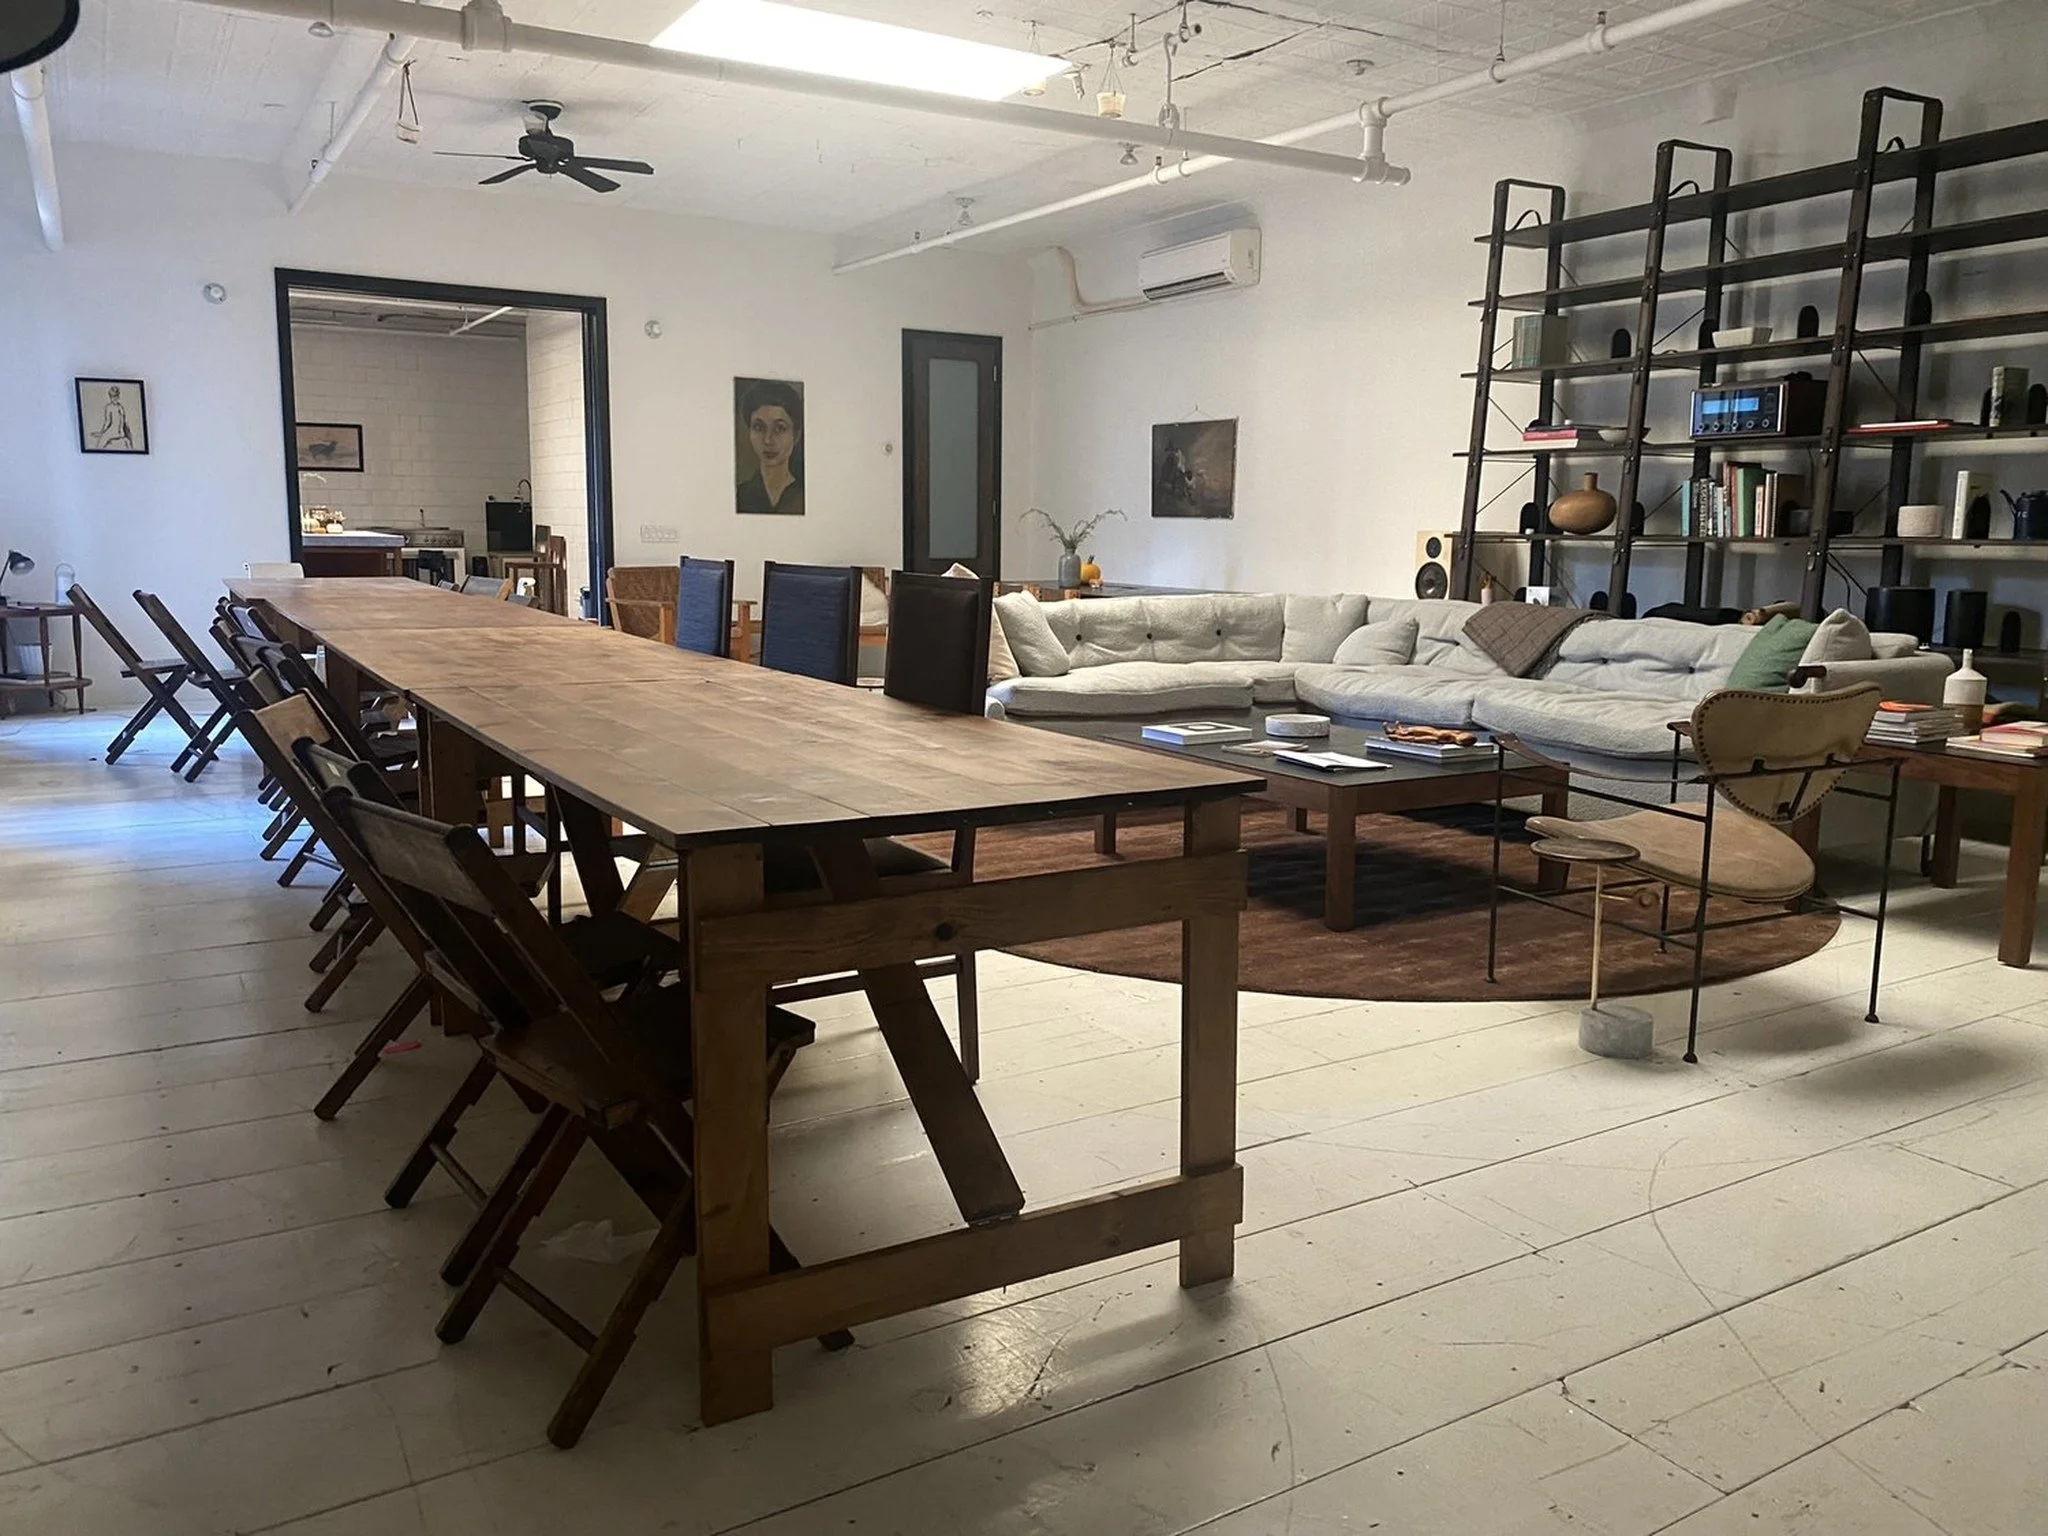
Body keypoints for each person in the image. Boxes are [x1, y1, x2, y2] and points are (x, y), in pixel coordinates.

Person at [736, 380, 804, 515]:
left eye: (779, 428)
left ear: (795, 436)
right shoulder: (739, 495)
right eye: (758, 427)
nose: (768, 440)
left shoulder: (804, 494)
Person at [92, 385, 134, 450]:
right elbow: (122, 420)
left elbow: (108, 422)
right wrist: (121, 431)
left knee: (100, 444)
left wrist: (101, 432)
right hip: (119, 432)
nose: (114, 398)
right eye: (113, 397)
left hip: (113, 431)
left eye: (115, 396)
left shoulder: (109, 407)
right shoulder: (120, 407)